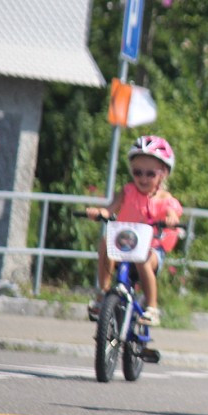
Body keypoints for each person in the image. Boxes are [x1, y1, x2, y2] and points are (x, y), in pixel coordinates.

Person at [86, 135, 182, 327]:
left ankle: (152, 308)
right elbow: (110, 208)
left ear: (163, 173)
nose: (143, 178)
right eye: (138, 172)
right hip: (124, 246)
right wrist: (99, 212)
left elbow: (173, 214)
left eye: (150, 174)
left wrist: (171, 219)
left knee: (143, 258)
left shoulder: (165, 198)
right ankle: (103, 293)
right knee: (106, 242)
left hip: (151, 250)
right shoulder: (128, 191)